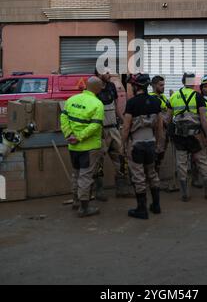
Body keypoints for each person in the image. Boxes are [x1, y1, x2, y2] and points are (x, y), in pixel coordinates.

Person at [60, 77, 104, 218]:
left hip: (73, 147)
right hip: (89, 147)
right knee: (85, 176)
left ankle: (75, 201)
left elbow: (63, 118)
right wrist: (79, 137)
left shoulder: (71, 99)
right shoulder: (97, 104)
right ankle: (84, 208)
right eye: (101, 87)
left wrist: (69, 134)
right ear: (97, 88)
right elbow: (95, 125)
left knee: (76, 174)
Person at [167, 72, 207, 202]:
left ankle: (185, 194)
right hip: (195, 136)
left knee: (181, 164)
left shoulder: (174, 97)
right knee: (202, 161)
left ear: (183, 82)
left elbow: (168, 119)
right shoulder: (198, 97)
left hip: (179, 136)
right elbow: (204, 119)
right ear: (193, 83)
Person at [122, 73, 163, 220]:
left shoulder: (131, 103)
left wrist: (123, 145)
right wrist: (158, 144)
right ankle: (156, 206)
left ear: (135, 86)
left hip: (137, 145)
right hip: (151, 143)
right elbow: (159, 127)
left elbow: (126, 127)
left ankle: (142, 209)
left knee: (139, 177)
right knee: (152, 174)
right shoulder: (155, 101)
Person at [94, 69, 133, 201]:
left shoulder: (111, 86)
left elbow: (116, 107)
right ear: (98, 75)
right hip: (100, 131)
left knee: (121, 157)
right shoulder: (93, 89)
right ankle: (99, 191)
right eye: (106, 72)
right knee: (98, 161)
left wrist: (124, 122)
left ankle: (122, 189)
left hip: (113, 128)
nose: (109, 75)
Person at [149, 75, 170, 176]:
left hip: (165, 130)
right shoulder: (151, 98)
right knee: (155, 153)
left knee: (161, 153)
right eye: (161, 85)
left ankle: (156, 174)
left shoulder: (164, 97)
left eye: (164, 85)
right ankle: (152, 176)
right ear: (153, 85)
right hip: (156, 132)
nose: (163, 87)